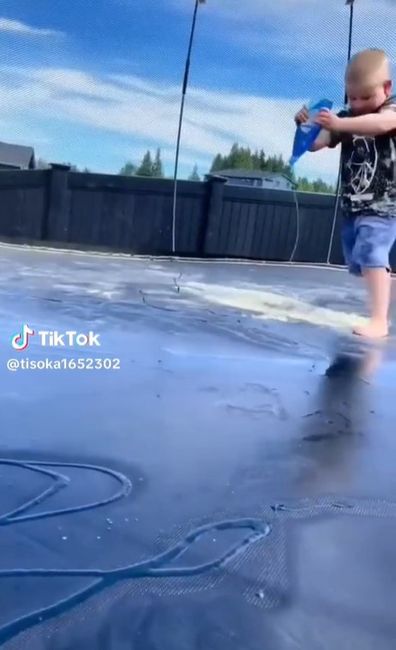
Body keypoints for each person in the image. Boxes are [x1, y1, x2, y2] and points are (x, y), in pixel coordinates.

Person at [295, 48, 396, 338]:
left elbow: (383, 124)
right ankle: (386, 293)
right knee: (358, 259)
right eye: (353, 98)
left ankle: (379, 321)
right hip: (354, 204)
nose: (359, 104)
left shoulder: (390, 109)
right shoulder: (345, 116)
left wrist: (340, 123)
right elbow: (317, 143)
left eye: (366, 97)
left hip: (385, 202)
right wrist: (307, 126)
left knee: (373, 251)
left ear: (386, 88)